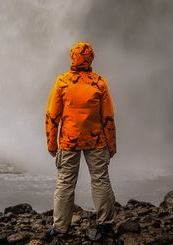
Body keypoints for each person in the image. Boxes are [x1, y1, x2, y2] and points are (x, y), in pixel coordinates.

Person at [45, 41, 117, 240]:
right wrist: (111, 145)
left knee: (65, 183)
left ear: (72, 58)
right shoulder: (99, 82)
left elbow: (52, 116)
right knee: (100, 180)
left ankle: (60, 227)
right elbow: (108, 117)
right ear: (91, 58)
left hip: (69, 141)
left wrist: (52, 144)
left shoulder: (62, 82)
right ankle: (106, 224)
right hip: (96, 140)